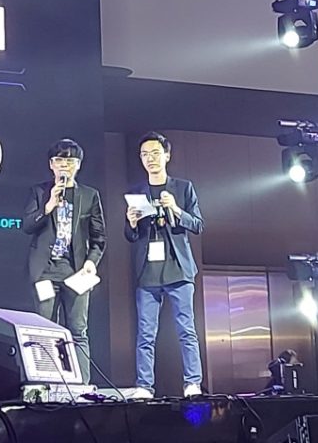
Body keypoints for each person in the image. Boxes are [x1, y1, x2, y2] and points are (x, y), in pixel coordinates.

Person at [124, 132, 204, 399]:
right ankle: (144, 386)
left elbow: (198, 224)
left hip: (178, 269)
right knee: (145, 333)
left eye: (155, 153)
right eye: (145, 155)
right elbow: (131, 236)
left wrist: (177, 209)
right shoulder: (137, 192)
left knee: (186, 329)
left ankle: (192, 382)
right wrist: (131, 222)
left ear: (167, 156)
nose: (150, 159)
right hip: (148, 272)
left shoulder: (183, 187)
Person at [21, 138, 106, 383]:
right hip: (45, 272)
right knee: (44, 330)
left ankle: (82, 387)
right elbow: (27, 226)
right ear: (51, 164)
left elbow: (99, 237)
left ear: (78, 165)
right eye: (59, 160)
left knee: (78, 331)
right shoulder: (39, 192)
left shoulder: (89, 195)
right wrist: (48, 205)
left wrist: (91, 262)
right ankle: (46, 385)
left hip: (76, 273)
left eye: (70, 161)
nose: (64, 165)